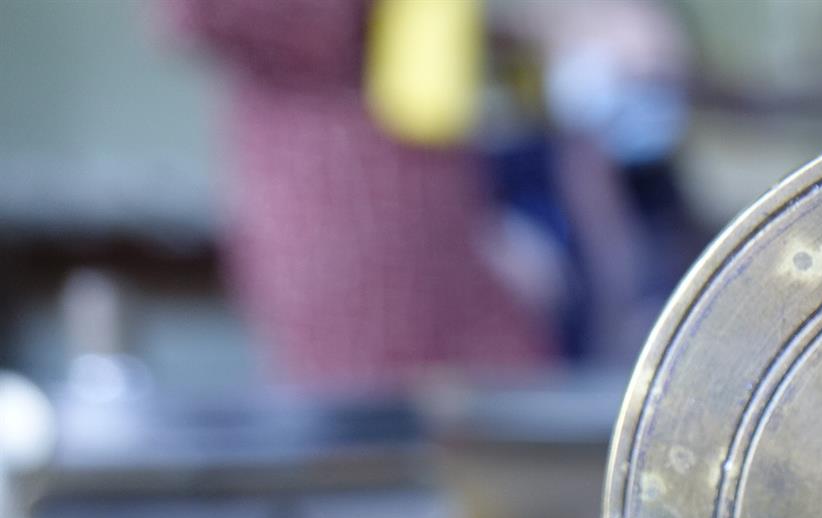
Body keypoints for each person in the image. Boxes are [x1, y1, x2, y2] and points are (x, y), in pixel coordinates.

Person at [162, 0, 552, 387]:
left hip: (439, 207)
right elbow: (196, 15)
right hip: (337, 205)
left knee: (491, 396)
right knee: (371, 417)